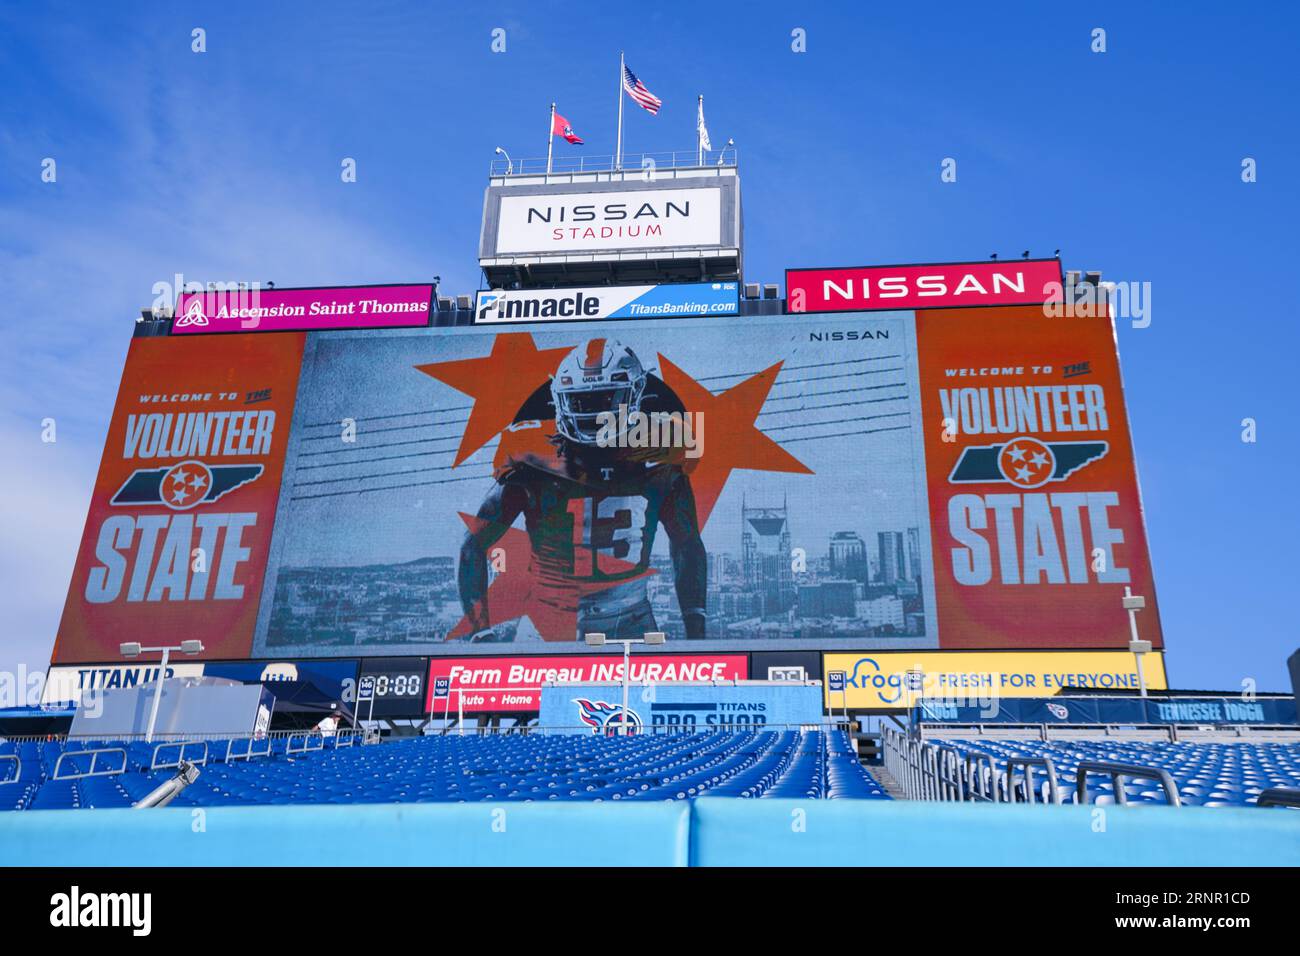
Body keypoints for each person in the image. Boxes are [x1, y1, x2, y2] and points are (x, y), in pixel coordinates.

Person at [459, 338, 708, 642]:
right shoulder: (535, 460)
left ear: (636, 395)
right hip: (548, 619)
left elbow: (687, 544)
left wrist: (696, 626)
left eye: (606, 400)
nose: (592, 413)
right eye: (581, 401)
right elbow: (474, 544)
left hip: (630, 618)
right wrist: (479, 634)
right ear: (561, 400)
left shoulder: (659, 454)